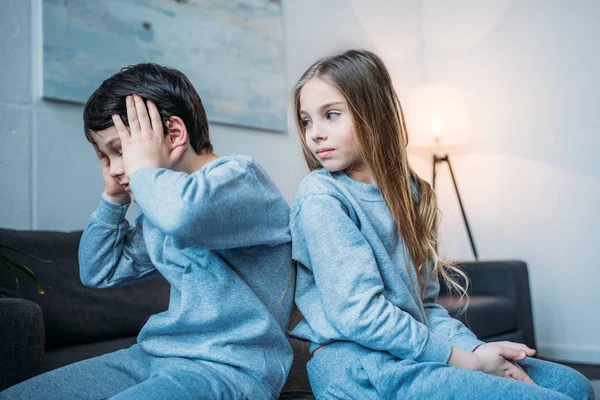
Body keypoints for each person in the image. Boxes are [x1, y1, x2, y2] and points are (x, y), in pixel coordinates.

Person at [287, 49, 594, 400]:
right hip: (358, 367)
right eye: (307, 120)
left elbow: (427, 308)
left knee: (575, 386)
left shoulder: (413, 194)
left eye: (331, 115)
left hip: (412, 353)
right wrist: (462, 361)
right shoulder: (321, 196)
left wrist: (476, 352)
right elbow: (360, 315)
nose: (315, 134)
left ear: (374, 113)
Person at [1, 63, 295, 400]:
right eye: (103, 156)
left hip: (230, 368)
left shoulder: (241, 180)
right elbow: (99, 271)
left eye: (121, 150)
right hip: (155, 356)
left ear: (173, 134)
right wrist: (113, 198)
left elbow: (183, 215)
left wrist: (143, 171)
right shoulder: (161, 208)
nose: (115, 169)